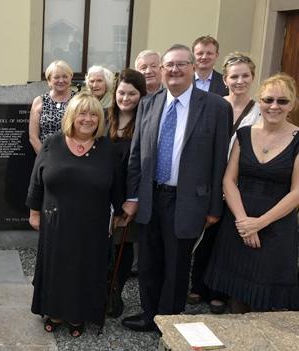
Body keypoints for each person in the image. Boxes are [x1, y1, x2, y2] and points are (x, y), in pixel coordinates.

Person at [121, 44, 231, 332]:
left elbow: (220, 161)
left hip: (187, 201)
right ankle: (150, 315)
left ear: (193, 68)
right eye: (168, 65)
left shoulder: (217, 107)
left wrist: (214, 207)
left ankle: (170, 322)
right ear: (160, 70)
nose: (174, 70)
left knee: (177, 265)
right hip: (149, 197)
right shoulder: (148, 103)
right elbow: (136, 157)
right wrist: (132, 196)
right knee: (148, 263)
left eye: (181, 64)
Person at [27, 91, 124, 337]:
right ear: (72, 115)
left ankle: (78, 313)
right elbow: (37, 181)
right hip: (55, 221)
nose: (88, 118)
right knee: (56, 267)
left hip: (92, 224)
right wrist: (34, 212)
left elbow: (118, 186)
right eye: (82, 112)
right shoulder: (52, 143)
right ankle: (54, 310)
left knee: (85, 268)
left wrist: (122, 210)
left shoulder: (108, 150)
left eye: (94, 114)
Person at [204, 74, 299, 313]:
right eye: (268, 99)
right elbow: (228, 180)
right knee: (238, 294)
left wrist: (259, 224)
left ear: (293, 104)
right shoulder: (244, 134)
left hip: (275, 228)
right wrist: (243, 222)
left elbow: (297, 192)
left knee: (267, 298)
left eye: (282, 101)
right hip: (239, 222)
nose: (274, 106)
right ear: (260, 101)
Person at [188, 52, 261, 313]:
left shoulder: (261, 111)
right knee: (205, 234)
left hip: (241, 186)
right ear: (225, 79)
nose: (239, 81)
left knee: (228, 238)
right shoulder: (213, 105)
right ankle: (198, 285)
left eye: (245, 75)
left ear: (252, 78)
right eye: (234, 76)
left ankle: (221, 290)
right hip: (210, 180)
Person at [105, 68, 147, 318]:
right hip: (103, 195)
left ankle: (115, 293)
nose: (126, 98)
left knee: (123, 246)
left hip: (129, 196)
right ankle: (99, 291)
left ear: (141, 95)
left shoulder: (145, 121)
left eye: (132, 93)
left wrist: (134, 199)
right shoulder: (104, 117)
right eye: (122, 92)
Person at [28, 60, 75, 154]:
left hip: (74, 156)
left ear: (70, 78)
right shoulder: (39, 101)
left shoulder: (79, 100)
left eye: (65, 76)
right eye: (56, 77)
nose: (61, 80)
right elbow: (33, 137)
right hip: (46, 157)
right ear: (49, 80)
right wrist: (45, 158)